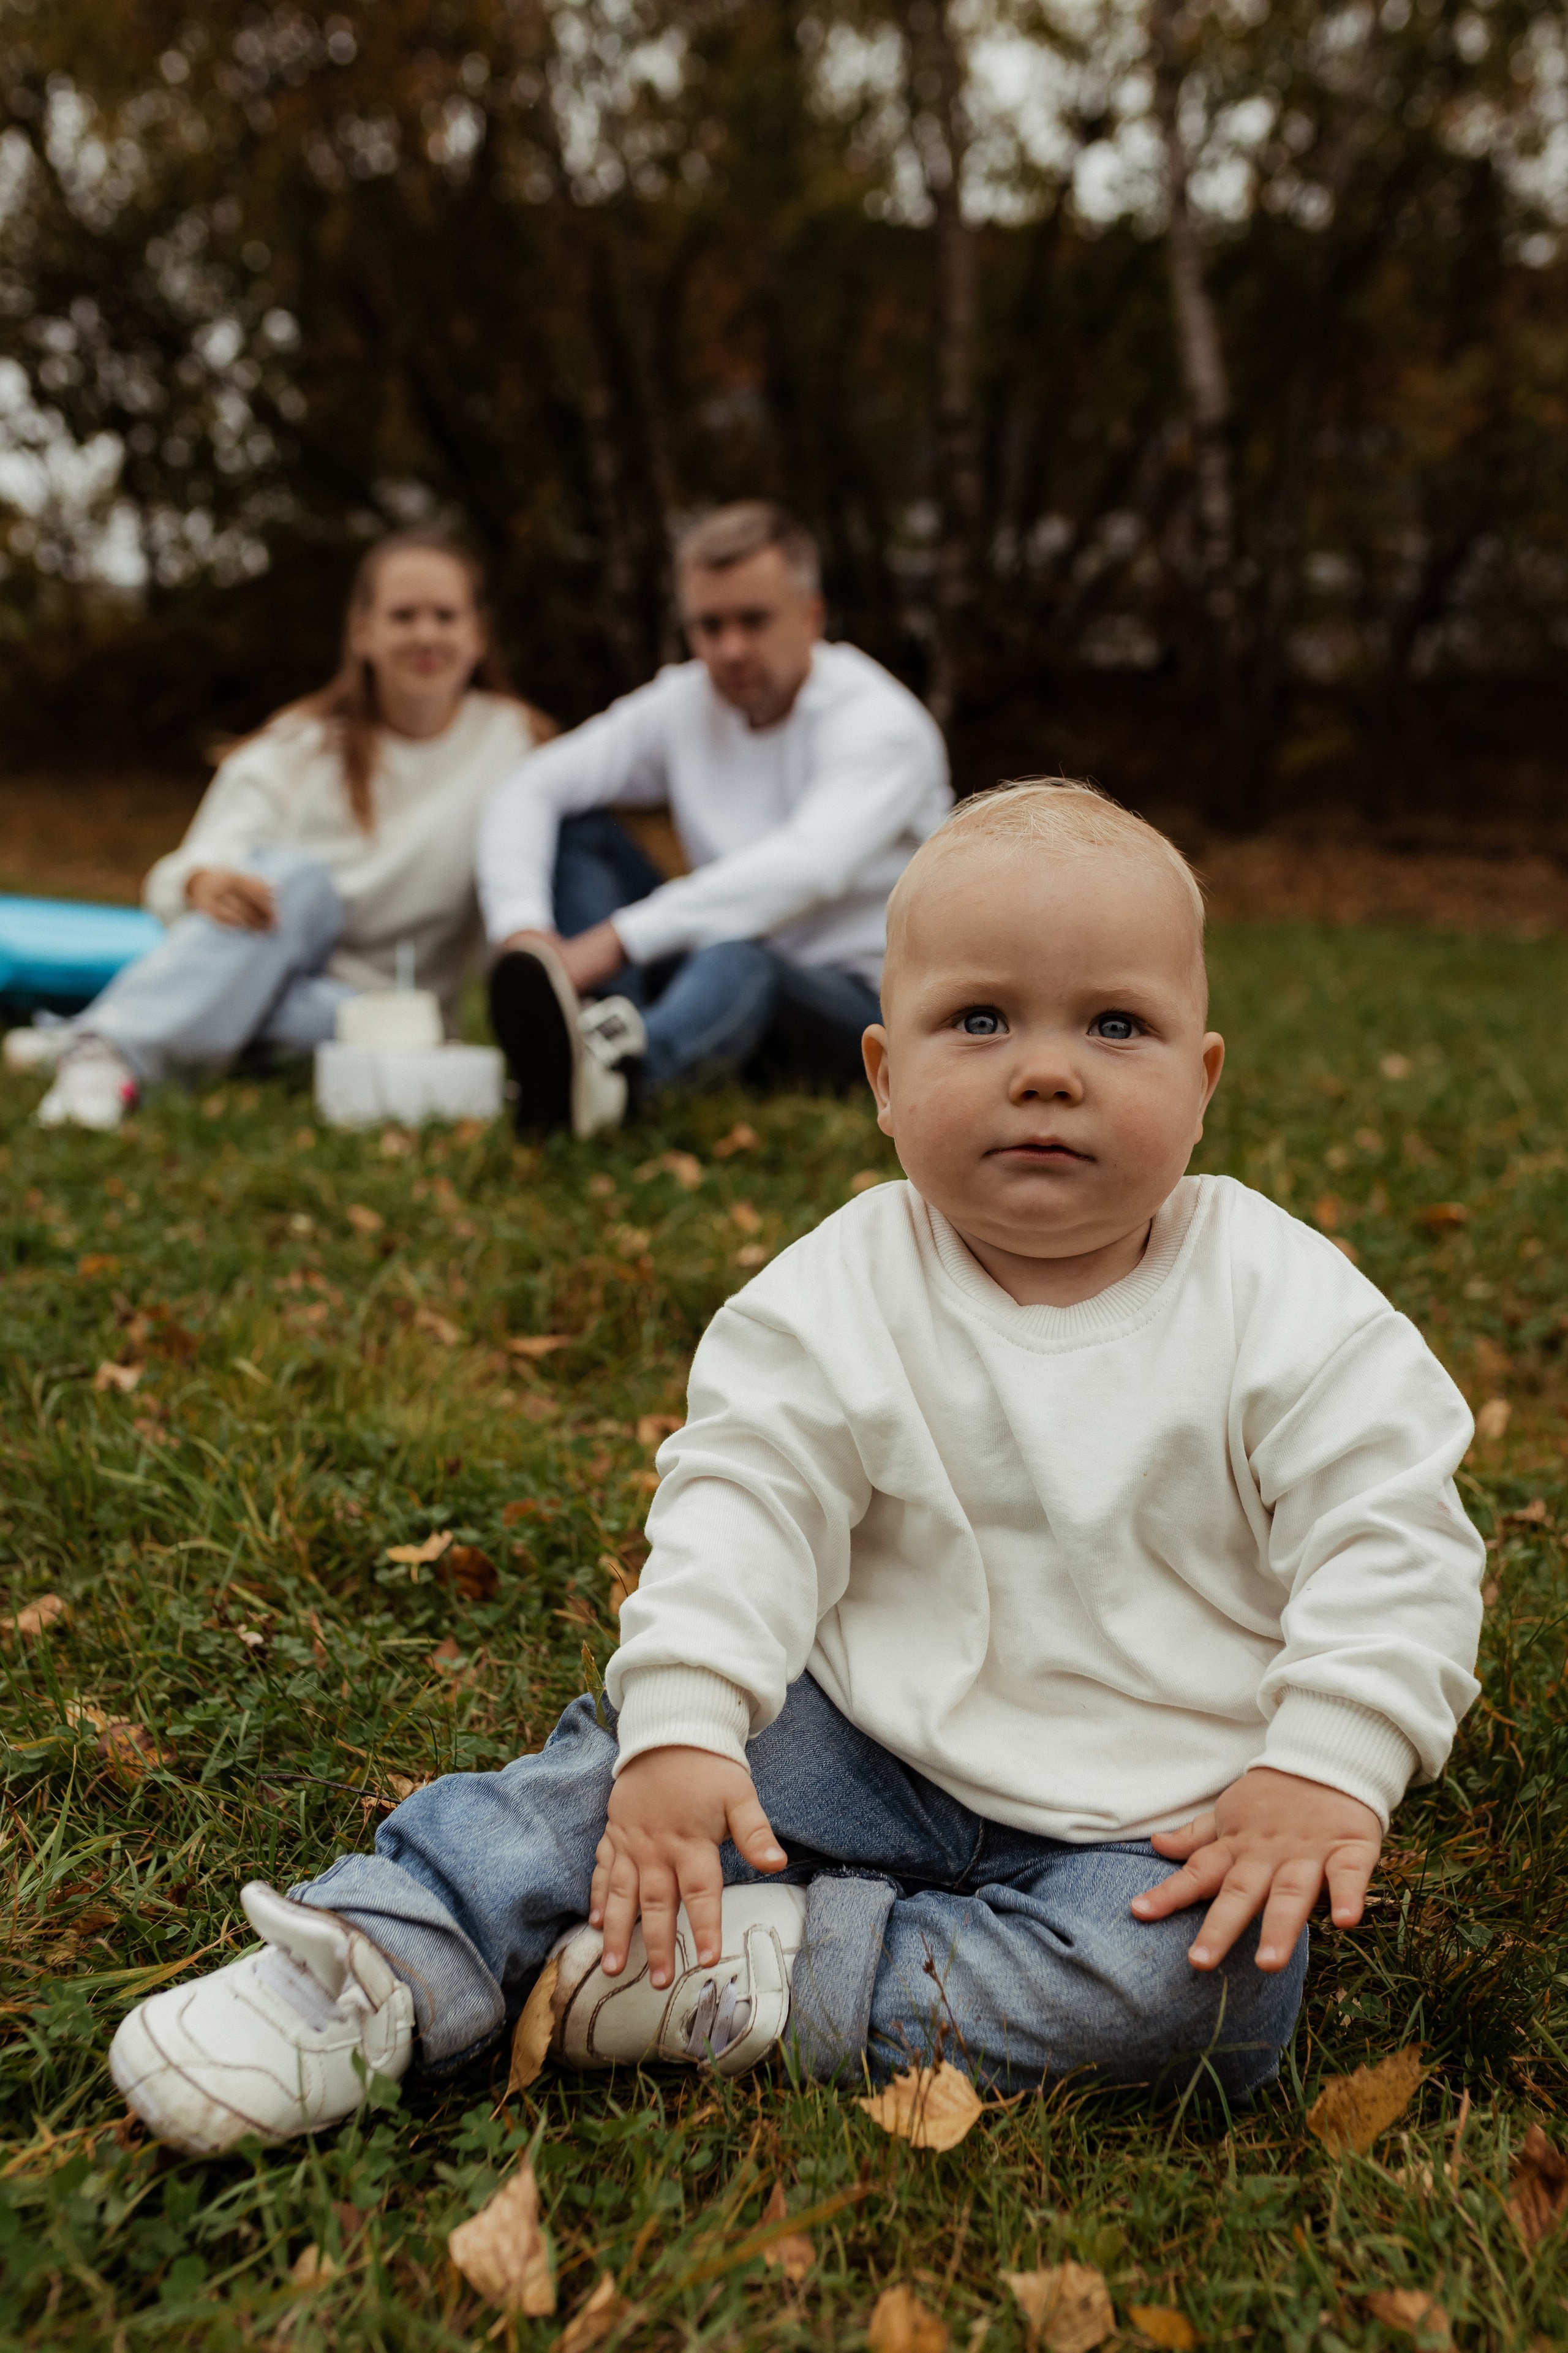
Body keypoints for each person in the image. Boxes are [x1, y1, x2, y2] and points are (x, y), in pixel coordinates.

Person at [108, 781, 1485, 2154]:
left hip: (1155, 1807)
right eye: (980, 1020)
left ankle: (763, 1978)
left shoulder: (1278, 1296)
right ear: (884, 1079)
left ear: (1200, 1082)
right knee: (604, 1783)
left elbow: (1391, 1532)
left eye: (1114, 1024)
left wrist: (1324, 1763)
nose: (1046, 1069)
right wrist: (690, 1721)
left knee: (1205, 1999)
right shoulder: (836, 1290)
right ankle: (384, 1950)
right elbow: (740, 1509)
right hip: (853, 1735)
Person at [4, 529, 549, 1131]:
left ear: (477, 634)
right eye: (403, 616)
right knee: (299, 881)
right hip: (261, 961)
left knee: (287, 1010)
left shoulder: (515, 746)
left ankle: (99, 1032)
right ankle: (101, 1056)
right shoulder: (301, 743)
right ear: (363, 633)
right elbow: (195, 862)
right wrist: (203, 881)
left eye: (445, 615)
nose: (425, 634)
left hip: (378, 1019)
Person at [475, 500, 951, 1138]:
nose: (729, 649)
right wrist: (524, 934)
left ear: (811, 616)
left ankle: (624, 1081)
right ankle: (589, 1042)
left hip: (860, 1008)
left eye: (754, 621)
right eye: (708, 626)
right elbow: (532, 785)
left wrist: (611, 942)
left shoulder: (880, 724)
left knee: (739, 957)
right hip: (711, 975)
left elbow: (807, 868)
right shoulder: (685, 701)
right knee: (581, 829)